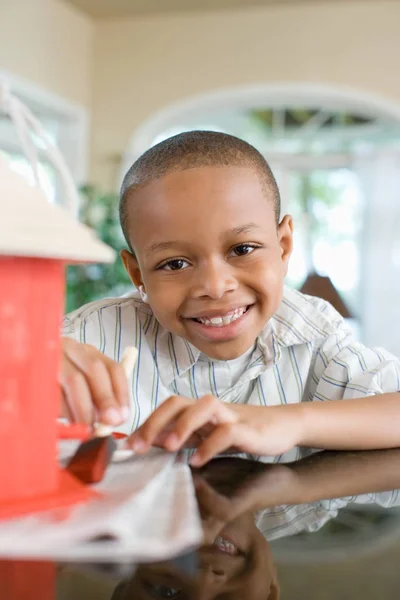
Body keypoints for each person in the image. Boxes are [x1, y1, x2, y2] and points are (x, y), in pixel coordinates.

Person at [61, 130, 400, 467]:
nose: (215, 286)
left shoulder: (309, 329)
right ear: (138, 276)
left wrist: (290, 421)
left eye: (242, 249)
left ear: (283, 247)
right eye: (175, 264)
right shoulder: (94, 338)